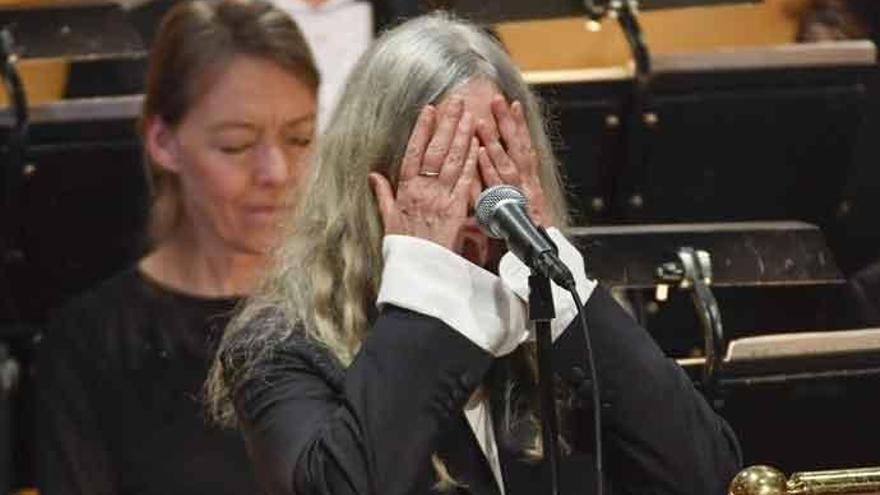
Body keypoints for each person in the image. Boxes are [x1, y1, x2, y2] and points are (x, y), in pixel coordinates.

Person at [207, 13, 742, 495]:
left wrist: (565, 298)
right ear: (373, 172)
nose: (481, 196)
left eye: (495, 154)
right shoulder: (278, 347)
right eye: (448, 158)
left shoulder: (550, 301)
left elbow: (707, 475)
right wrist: (425, 279)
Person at [34, 1, 319, 493]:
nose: (276, 173)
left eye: (299, 138)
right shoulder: (91, 345)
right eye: (235, 145)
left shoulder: (346, 311)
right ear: (163, 142)